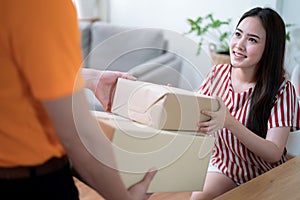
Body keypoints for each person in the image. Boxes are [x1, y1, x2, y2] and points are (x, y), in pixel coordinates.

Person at [0, 0, 156, 199]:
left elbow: (13, 69)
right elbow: (78, 136)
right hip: (28, 183)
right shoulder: (41, 5)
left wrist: (89, 78)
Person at [190, 7, 300, 200]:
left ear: (270, 48)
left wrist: (230, 122)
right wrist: (174, 98)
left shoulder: (282, 90)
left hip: (265, 174)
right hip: (226, 166)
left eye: (252, 40)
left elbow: (274, 153)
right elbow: (195, 107)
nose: (239, 45)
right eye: (238, 34)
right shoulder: (218, 74)